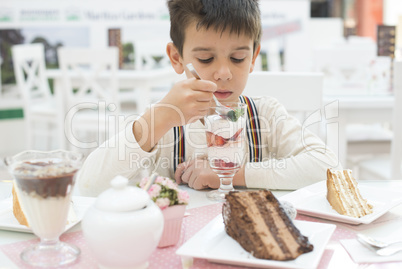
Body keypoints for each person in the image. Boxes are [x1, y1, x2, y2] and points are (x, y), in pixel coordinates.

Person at [77, 0, 340, 197]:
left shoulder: (265, 115)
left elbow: (327, 168)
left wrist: (227, 174)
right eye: (205, 59)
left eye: (238, 58)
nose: (224, 73)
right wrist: (160, 117)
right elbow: (88, 187)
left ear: (253, 56)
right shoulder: (166, 126)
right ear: (176, 58)